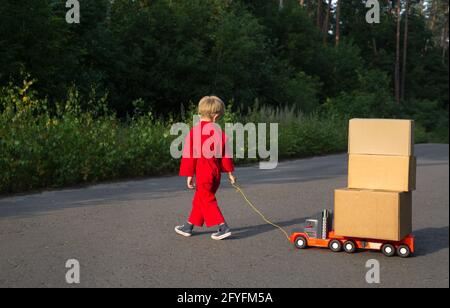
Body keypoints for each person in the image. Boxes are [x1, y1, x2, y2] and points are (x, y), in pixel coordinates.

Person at [175, 96, 237, 240]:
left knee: (207, 199)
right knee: (200, 199)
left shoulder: (194, 132)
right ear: (215, 116)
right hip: (215, 175)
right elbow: (226, 156)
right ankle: (189, 225)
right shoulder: (220, 134)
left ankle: (223, 226)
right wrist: (230, 173)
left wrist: (189, 175)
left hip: (203, 173)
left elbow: (189, 156)